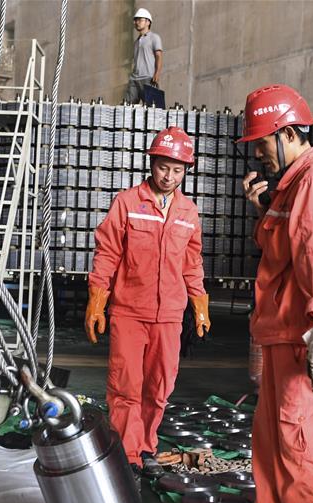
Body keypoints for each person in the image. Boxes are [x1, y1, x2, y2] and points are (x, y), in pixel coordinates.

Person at [215, 84, 313, 503]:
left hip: (301, 338)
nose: (257, 153)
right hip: (278, 335)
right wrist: (262, 210)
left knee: (299, 444)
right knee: (270, 444)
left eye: (262, 142)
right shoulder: (289, 188)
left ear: (289, 133)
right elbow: (282, 254)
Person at [86, 126, 210, 482]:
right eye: (163, 168)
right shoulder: (127, 203)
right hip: (128, 311)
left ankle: (146, 447)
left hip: (169, 315)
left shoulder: (188, 211)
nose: (169, 177)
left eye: (177, 170)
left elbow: (192, 261)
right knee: (126, 385)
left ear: (186, 170)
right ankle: (127, 454)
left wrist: (199, 304)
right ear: (151, 163)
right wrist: (97, 301)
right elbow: (107, 253)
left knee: (159, 386)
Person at [123, 8, 163, 105]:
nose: (136, 22)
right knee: (127, 107)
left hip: (148, 79)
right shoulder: (136, 42)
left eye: (140, 20)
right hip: (134, 79)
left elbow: (159, 56)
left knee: (152, 109)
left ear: (148, 22)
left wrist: (157, 73)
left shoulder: (154, 37)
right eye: (135, 20)